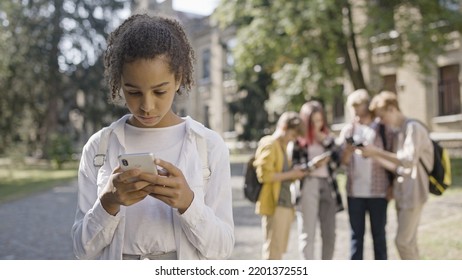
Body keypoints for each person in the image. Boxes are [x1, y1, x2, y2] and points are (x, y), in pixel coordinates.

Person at [71, 13, 234, 260]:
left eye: (160, 91)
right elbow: (82, 250)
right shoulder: (98, 148)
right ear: (119, 83)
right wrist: (108, 202)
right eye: (133, 91)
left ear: (178, 78)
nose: (147, 106)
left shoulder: (210, 146)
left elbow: (223, 249)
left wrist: (189, 204)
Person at [360, 91, 433, 260]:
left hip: (414, 193)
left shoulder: (413, 128)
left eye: (382, 116)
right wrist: (373, 155)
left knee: (403, 242)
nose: (381, 121)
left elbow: (408, 161)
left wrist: (377, 151)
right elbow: (398, 166)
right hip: (404, 192)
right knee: (410, 242)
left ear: (392, 109)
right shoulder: (401, 130)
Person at [338, 89, 393, 260]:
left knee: (379, 237)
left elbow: (392, 158)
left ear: (366, 106)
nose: (356, 112)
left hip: (378, 190)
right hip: (355, 192)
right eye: (353, 108)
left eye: (358, 107)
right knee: (356, 238)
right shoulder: (348, 130)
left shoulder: (381, 128)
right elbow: (342, 162)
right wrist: (347, 151)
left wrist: (392, 186)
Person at [253, 111, 308, 260]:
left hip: (284, 204)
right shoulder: (270, 143)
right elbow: (263, 175)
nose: (293, 139)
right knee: (273, 252)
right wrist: (292, 174)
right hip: (274, 204)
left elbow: (282, 175)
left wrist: (296, 173)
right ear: (284, 127)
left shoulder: (282, 146)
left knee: (279, 252)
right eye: (293, 135)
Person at [291, 100, 339, 260]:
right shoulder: (298, 142)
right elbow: (295, 167)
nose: (317, 124)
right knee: (307, 233)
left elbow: (338, 161)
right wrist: (313, 165)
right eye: (313, 121)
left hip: (328, 185)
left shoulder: (328, 138)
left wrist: (325, 140)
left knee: (329, 234)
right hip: (308, 184)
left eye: (320, 120)